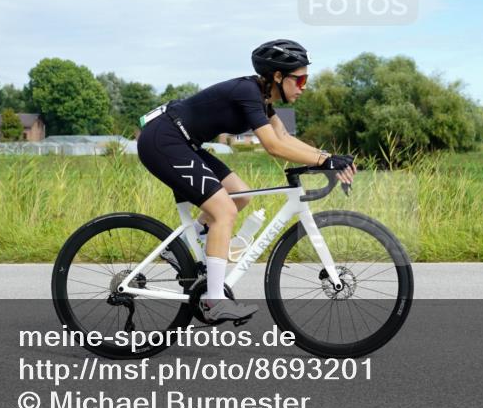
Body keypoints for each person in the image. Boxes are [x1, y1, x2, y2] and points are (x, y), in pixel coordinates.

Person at [136, 39, 356, 322]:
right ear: (278, 76)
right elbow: (273, 147)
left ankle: (179, 251)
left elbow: (285, 138)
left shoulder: (263, 100)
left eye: (306, 79)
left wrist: (328, 157)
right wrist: (324, 162)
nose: (304, 87)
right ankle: (213, 303)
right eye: (300, 80)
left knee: (240, 195)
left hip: (183, 141)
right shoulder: (247, 92)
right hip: (163, 139)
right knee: (224, 211)